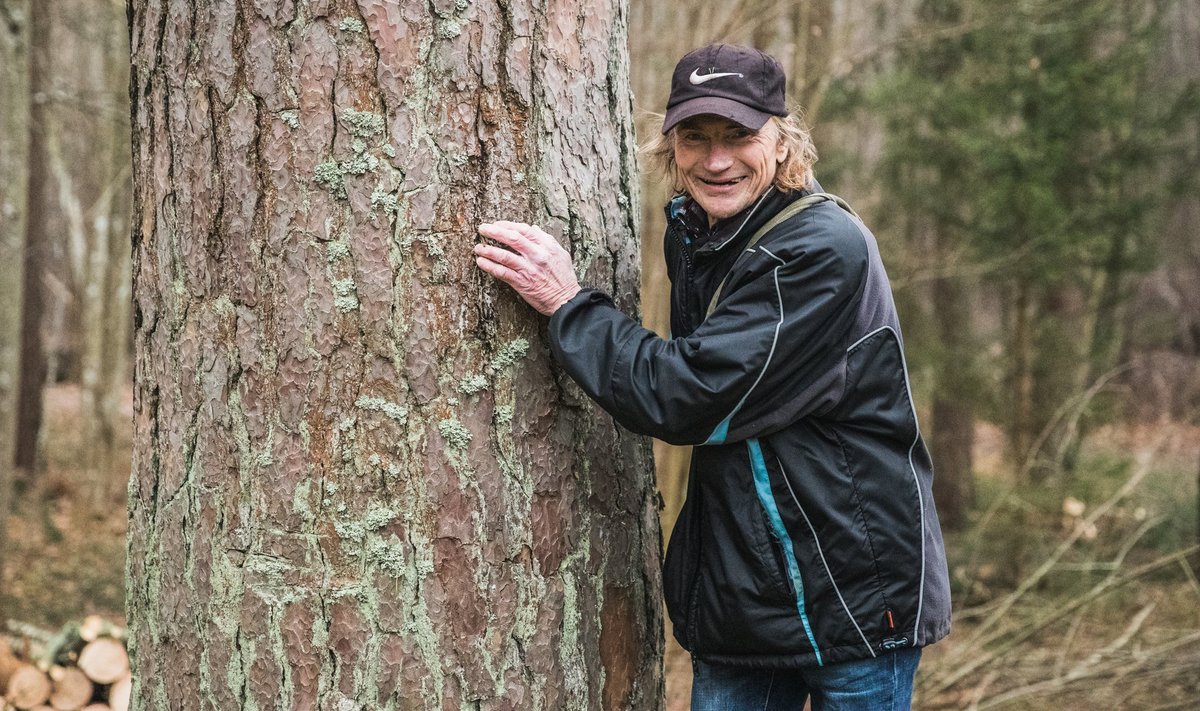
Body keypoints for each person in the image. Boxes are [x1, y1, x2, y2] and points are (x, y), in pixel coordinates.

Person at [475, 43, 950, 711]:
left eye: (739, 136)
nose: (716, 159)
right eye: (695, 137)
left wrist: (569, 305)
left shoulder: (818, 250)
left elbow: (688, 395)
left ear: (783, 142)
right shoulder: (701, 234)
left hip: (851, 593)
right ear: (670, 145)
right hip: (743, 595)